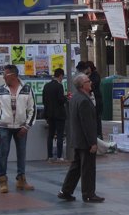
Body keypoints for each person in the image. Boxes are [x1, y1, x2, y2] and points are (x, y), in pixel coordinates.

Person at [58, 73, 104, 203]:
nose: (91, 83)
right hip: (85, 141)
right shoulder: (84, 100)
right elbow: (87, 123)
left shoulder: (75, 98)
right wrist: (92, 142)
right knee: (88, 168)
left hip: (77, 139)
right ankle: (88, 194)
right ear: (82, 85)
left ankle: (65, 191)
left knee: (76, 166)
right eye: (88, 81)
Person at [0, 64, 37, 193]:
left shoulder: (27, 89)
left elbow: (32, 109)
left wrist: (27, 126)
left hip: (21, 127)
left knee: (21, 153)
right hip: (4, 127)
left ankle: (21, 180)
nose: (3, 77)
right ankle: (2, 180)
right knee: (3, 153)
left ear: (13, 76)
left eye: (5, 75)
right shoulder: (0, 90)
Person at [42, 68, 67, 162]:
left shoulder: (46, 86)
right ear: (60, 76)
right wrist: (66, 98)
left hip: (49, 114)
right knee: (60, 135)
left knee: (50, 135)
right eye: (62, 77)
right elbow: (60, 99)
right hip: (59, 115)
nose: (62, 79)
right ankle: (59, 156)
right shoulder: (59, 86)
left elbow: (44, 100)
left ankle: (50, 156)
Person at [86, 61, 104, 138]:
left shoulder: (95, 75)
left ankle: (99, 135)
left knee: (97, 118)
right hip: (90, 99)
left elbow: (94, 85)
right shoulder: (86, 76)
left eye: (88, 67)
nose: (86, 69)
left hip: (96, 99)